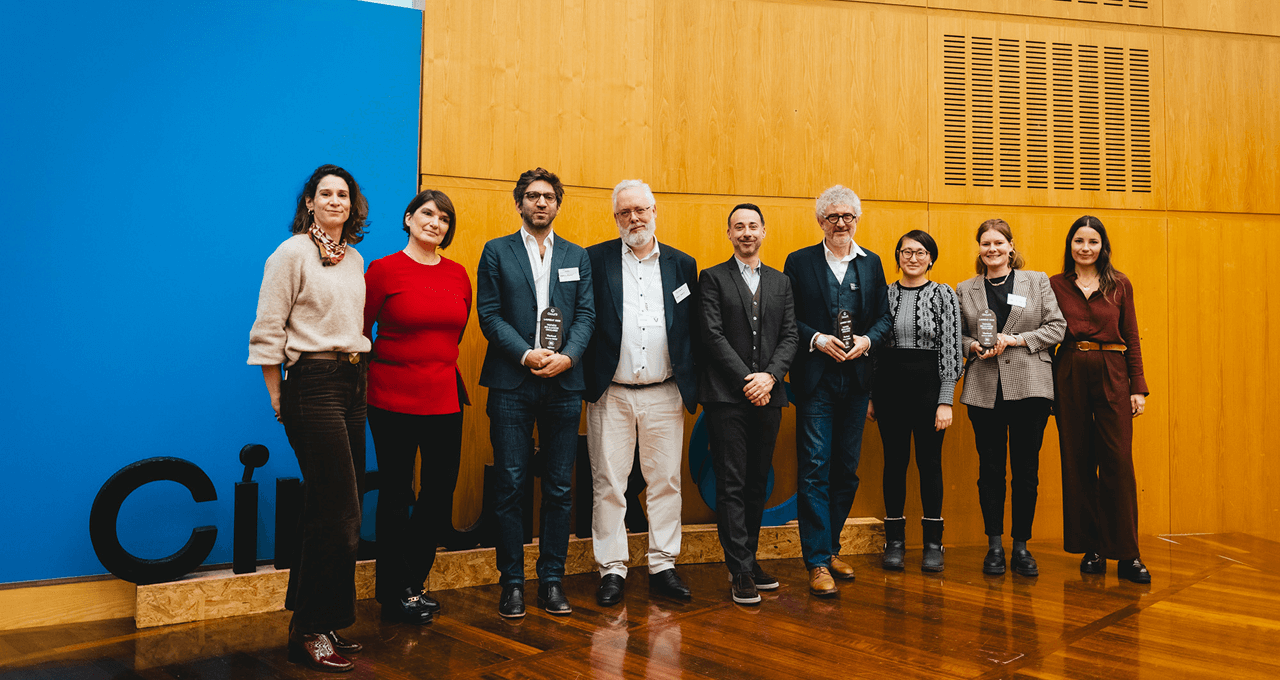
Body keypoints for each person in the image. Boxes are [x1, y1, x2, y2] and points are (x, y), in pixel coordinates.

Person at [248, 164, 371, 673]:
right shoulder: (292, 253)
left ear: (352, 205)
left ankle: (321, 619)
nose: (336, 200)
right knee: (340, 513)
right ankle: (310, 629)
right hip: (312, 384)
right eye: (326, 193)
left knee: (328, 508)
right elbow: (268, 328)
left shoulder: (354, 259)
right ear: (310, 202)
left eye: (344, 194)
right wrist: (278, 395)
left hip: (352, 381)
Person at [476, 167, 594, 618]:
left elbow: (586, 315)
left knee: (560, 487)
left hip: (564, 384)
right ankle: (512, 583)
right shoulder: (497, 251)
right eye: (532, 196)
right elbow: (489, 315)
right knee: (510, 484)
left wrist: (569, 357)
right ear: (519, 203)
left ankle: (551, 581)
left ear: (558, 204)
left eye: (548, 196)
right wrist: (527, 355)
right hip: (512, 382)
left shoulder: (576, 255)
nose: (540, 202)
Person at [583, 180, 699, 606]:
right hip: (610, 392)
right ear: (615, 218)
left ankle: (663, 564)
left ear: (654, 211)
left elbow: (691, 328)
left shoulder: (682, 264)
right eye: (624, 212)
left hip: (665, 392)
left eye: (641, 210)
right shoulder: (594, 259)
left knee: (665, 481)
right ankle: (612, 568)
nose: (634, 218)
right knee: (609, 483)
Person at [363, 189, 471, 624]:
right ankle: (393, 592)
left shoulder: (459, 274)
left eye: (444, 218)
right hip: (391, 398)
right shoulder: (383, 270)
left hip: (445, 398)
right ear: (408, 218)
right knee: (395, 495)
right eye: (427, 213)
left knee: (439, 493)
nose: (435, 223)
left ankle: (412, 581)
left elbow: (454, 335)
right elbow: (361, 332)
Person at [782, 185, 890, 596]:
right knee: (814, 467)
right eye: (833, 217)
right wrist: (816, 339)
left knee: (846, 469)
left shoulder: (872, 263)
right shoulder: (800, 261)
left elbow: (883, 318)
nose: (841, 223)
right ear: (820, 221)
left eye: (848, 216)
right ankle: (815, 562)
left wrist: (867, 341)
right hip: (816, 382)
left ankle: (829, 549)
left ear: (857, 220)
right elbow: (788, 318)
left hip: (857, 381)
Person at [700, 203, 798, 605]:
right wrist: (749, 380)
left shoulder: (781, 282)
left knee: (757, 481)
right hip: (726, 398)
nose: (746, 232)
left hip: (770, 395)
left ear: (763, 231)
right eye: (738, 226)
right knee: (732, 483)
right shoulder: (712, 278)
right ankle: (738, 569)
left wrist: (770, 377)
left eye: (752, 226)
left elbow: (790, 336)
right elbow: (711, 335)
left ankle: (749, 558)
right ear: (729, 233)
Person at [957, 219, 1066, 577]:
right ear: (980, 249)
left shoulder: (1036, 281)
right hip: (984, 389)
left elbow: (1057, 328)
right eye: (985, 243)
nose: (992, 249)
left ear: (1010, 246)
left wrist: (1016, 340)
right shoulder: (965, 289)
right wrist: (973, 346)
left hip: (1031, 389)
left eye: (998, 243)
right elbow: (956, 336)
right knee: (989, 470)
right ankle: (994, 545)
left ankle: (1021, 546)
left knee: (1026, 471)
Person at [1050, 216, 1151, 584]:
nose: (1085, 248)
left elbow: (1132, 336)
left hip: (1113, 371)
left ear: (1103, 246)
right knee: (1078, 461)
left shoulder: (1120, 284)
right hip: (1069, 371)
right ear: (1070, 245)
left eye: (1093, 241)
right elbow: (1045, 333)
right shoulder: (1055, 285)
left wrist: (1138, 386)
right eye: (1079, 241)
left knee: (1118, 462)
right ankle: (1091, 548)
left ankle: (1127, 553)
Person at [867, 230, 963, 572]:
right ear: (897, 256)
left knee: (929, 463)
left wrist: (946, 399)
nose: (913, 258)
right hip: (889, 388)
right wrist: (871, 395)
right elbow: (874, 349)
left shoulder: (944, 294)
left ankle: (933, 544)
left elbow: (952, 346)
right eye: (906, 251)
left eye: (920, 252)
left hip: (929, 388)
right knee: (894, 463)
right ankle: (894, 542)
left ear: (930, 258)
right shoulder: (883, 294)